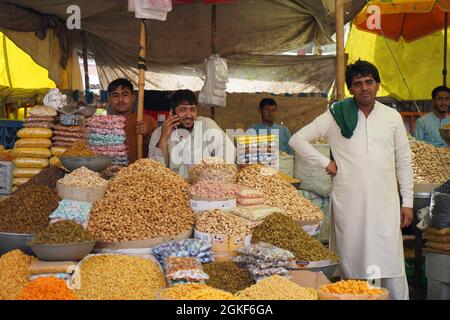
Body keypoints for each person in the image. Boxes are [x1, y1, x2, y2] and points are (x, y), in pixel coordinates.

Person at [289, 60, 414, 300]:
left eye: (369, 82)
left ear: (377, 85)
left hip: (385, 203)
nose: (364, 88)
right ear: (349, 88)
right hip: (350, 203)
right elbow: (297, 139)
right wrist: (326, 163)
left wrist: (406, 201)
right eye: (357, 84)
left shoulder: (392, 117)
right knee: (354, 260)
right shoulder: (336, 116)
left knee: (389, 261)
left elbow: (404, 161)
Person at [148, 89, 235, 179]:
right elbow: (155, 169)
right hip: (172, 189)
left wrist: (215, 176)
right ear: (172, 112)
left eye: (192, 109)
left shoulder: (206, 125)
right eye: (183, 110)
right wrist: (164, 137)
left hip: (203, 189)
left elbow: (228, 150)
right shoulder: (159, 133)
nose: (189, 115)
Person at [107, 78, 157, 163]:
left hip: (140, 173)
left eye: (125, 94)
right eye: (115, 95)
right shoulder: (103, 125)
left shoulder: (148, 121)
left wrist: (148, 135)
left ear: (133, 98)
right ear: (109, 100)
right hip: (111, 173)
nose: (120, 99)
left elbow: (159, 153)